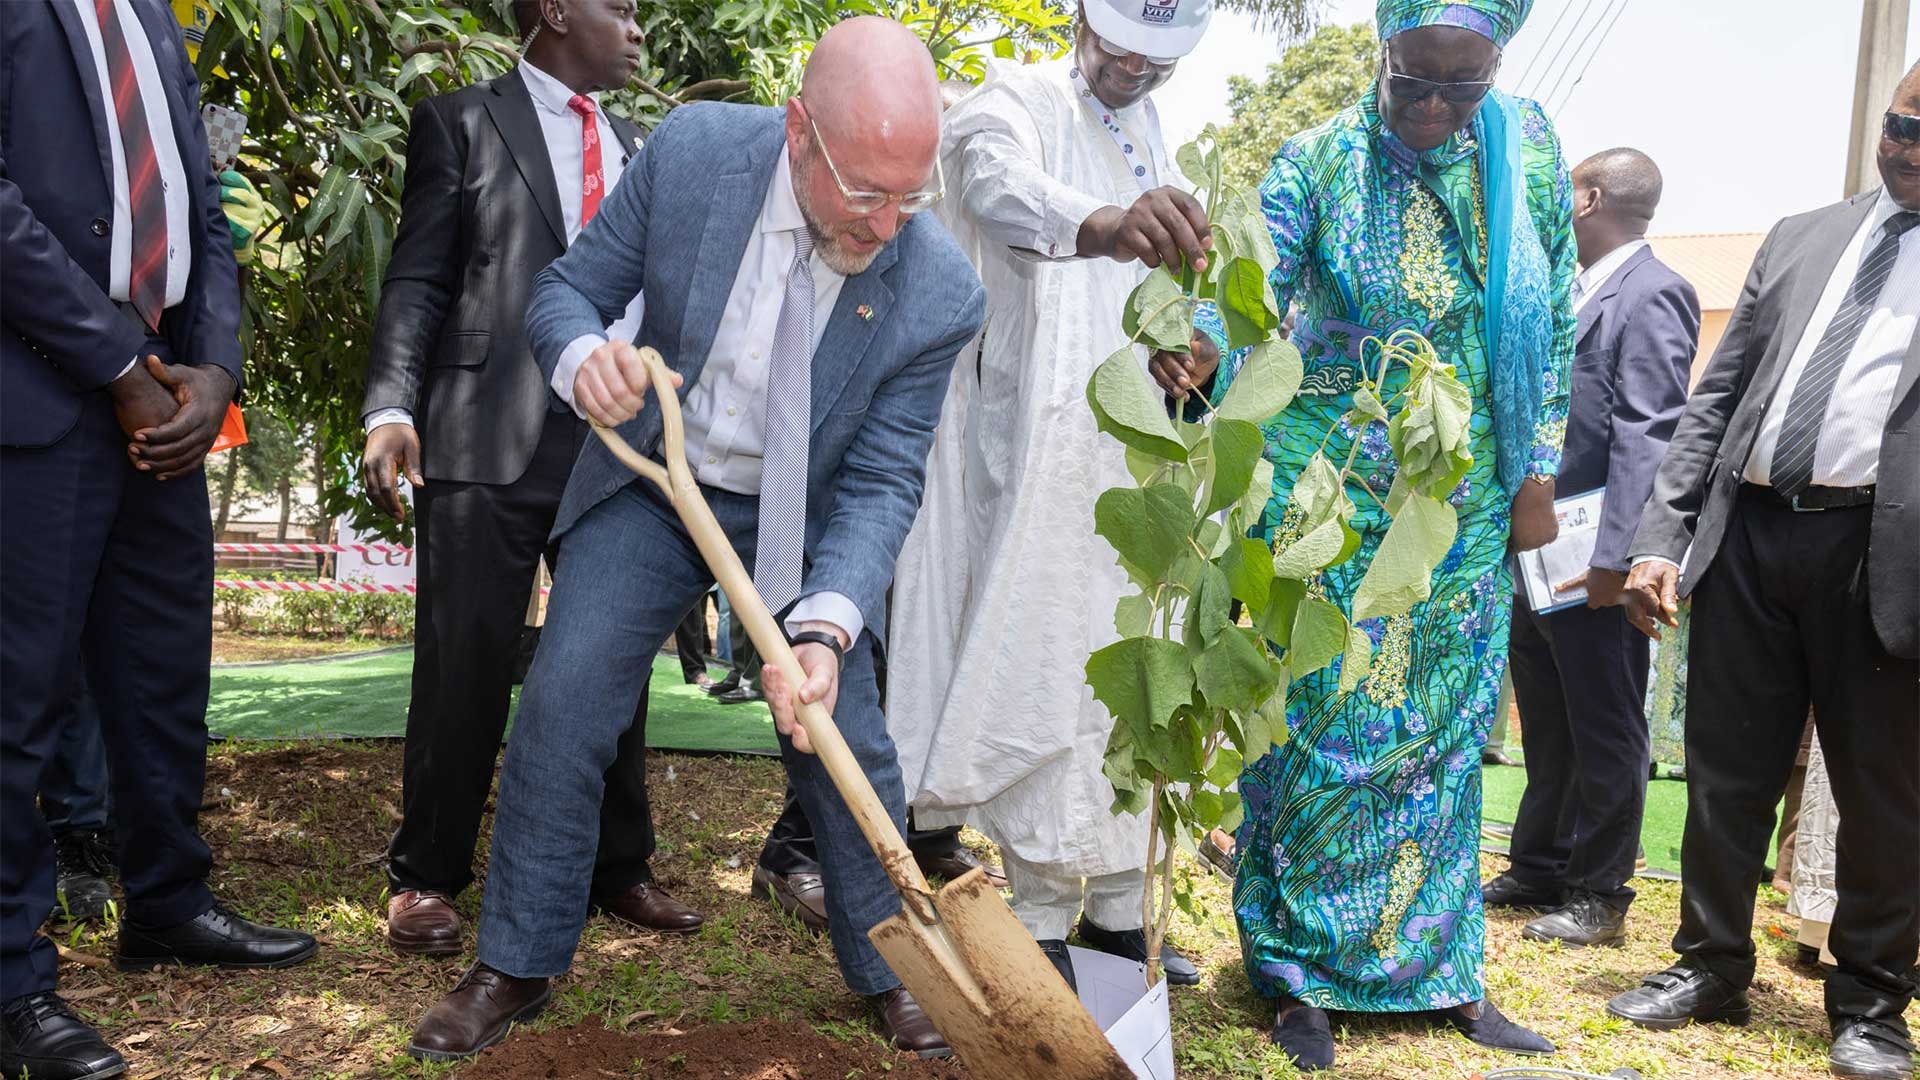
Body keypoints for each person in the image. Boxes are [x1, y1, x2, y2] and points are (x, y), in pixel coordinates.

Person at [405, 17, 984, 1062]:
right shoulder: (695, 154)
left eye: (913, 195)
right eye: (864, 193)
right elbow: (565, 293)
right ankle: (517, 961)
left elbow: (886, 475)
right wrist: (586, 358)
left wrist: (825, 628)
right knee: (568, 696)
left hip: (806, 516)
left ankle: (894, 969)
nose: (889, 224)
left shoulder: (939, 290)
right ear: (799, 132)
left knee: (841, 733)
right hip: (659, 483)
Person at [1193, 0, 1574, 1069]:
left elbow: (1556, 307)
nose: (1441, 108)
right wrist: (1199, 346)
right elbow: (1246, 289)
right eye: (1417, 80)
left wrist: (1536, 467)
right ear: (1384, 54)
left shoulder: (1530, 145)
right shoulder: (1317, 159)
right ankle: (1293, 972)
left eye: (1467, 86)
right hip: (1335, 492)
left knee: (1446, 735)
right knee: (1321, 720)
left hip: (1466, 491)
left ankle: (1438, 973)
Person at [1, 0, 321, 1075]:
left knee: (160, 674)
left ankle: (168, 903)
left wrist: (214, 367)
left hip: (167, 398)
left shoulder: (149, 11)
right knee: (19, 696)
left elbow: (205, 214)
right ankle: (9, 983)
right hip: (38, 400)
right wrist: (116, 365)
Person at [359, 0, 703, 957]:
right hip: (486, 428)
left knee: (614, 654)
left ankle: (616, 868)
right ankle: (426, 875)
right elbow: (420, 277)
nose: (641, 28)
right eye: (623, 9)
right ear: (554, 9)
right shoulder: (461, 121)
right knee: (465, 653)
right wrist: (391, 407)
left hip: (619, 440)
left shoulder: (647, 144)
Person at [886, 0, 1214, 995]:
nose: (1132, 70)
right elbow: (993, 187)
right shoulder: (1014, 99)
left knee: (1125, 677)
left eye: (1156, 63)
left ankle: (1115, 926)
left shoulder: (1152, 129)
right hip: (1029, 457)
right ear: (1081, 17)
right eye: (1119, 47)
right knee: (1040, 674)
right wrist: (1104, 225)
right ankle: (1034, 930)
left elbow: (1157, 297)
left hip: (1128, 467)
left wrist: (1185, 347)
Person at [1607, 68, 1920, 1080]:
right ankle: (1708, 962)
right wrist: (1662, 536)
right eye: (1898, 128)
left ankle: (1871, 1006)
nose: (1907, 150)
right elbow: (1718, 394)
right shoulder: (1802, 234)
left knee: (1885, 794)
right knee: (1726, 771)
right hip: (1752, 534)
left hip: (1885, 555)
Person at [1484, 148, 1699, 947]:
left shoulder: (1654, 293)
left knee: (1605, 723)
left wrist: (1622, 556)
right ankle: (1539, 863)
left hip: (1594, 559)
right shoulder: (1570, 291)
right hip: (1538, 550)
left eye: (1565, 188)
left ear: (1591, 197)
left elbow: (1651, 432)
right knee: (1545, 715)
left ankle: (1600, 890)